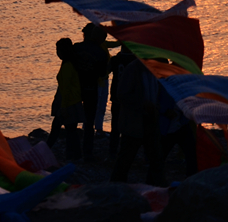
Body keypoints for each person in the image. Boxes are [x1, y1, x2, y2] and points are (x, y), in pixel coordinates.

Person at [109, 54, 165, 186]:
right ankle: (116, 186)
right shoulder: (133, 69)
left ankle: (156, 187)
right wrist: (143, 104)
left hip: (151, 119)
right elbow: (122, 94)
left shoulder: (155, 71)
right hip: (134, 122)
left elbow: (158, 93)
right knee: (126, 158)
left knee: (156, 158)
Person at [69, 23, 112, 160]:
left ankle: (73, 151)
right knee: (89, 122)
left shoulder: (76, 48)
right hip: (91, 88)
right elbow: (101, 73)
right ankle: (87, 152)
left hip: (76, 88)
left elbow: (69, 67)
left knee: (73, 120)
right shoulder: (100, 53)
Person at [46, 37, 83, 157]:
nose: (57, 53)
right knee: (70, 129)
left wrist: (63, 107)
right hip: (72, 101)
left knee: (59, 128)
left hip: (67, 102)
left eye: (58, 50)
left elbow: (66, 89)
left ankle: (47, 151)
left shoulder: (67, 66)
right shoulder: (71, 63)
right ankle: (73, 153)